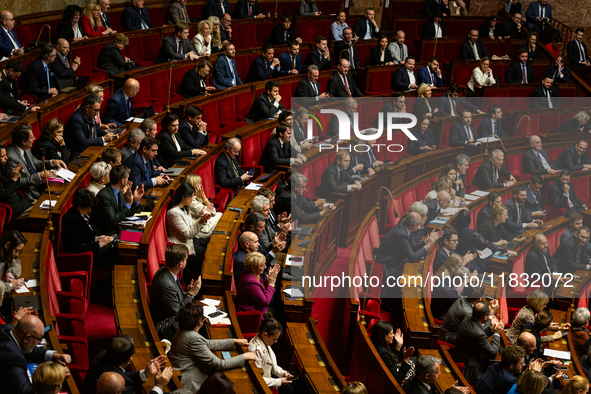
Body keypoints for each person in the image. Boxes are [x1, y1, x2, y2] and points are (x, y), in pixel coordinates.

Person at [168, 303, 253, 392]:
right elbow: (219, 364)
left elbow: (207, 343)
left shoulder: (182, 330)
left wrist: (233, 341)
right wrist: (245, 357)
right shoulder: (193, 338)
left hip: (184, 371)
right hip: (191, 382)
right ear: (200, 321)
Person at [0, 314, 71, 394]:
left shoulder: (7, 329)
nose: (39, 342)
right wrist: (54, 377)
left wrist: (54, 356)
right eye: (38, 339)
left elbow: (27, 348)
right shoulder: (13, 360)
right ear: (27, 338)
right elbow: (25, 391)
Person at [376, 212, 441, 295]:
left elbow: (412, 246)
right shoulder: (401, 234)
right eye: (419, 225)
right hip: (389, 267)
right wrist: (428, 245)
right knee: (413, 281)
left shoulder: (404, 227)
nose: (420, 227)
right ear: (414, 225)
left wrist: (426, 242)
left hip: (396, 262)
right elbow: (412, 257)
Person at [150, 244, 201, 341]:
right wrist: (190, 294)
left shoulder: (165, 271)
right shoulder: (167, 285)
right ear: (180, 264)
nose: (187, 261)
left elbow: (176, 297)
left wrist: (190, 291)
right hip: (167, 327)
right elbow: (178, 312)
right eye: (186, 259)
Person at [84, 336, 167, 394]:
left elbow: (122, 374)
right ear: (129, 359)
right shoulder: (120, 387)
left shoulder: (102, 355)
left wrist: (146, 373)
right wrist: (159, 386)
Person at [6, 124, 65, 201]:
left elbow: (35, 163)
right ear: (23, 141)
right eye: (31, 137)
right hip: (29, 193)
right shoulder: (11, 157)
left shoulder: (24, 147)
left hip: (39, 184)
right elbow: (17, 182)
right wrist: (39, 176)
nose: (34, 138)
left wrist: (52, 162)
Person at [166, 182, 212, 276]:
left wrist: (203, 218)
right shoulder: (173, 213)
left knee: (210, 245)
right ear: (183, 196)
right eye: (191, 196)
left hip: (190, 241)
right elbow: (188, 234)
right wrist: (201, 221)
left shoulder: (185, 208)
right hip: (182, 247)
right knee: (206, 254)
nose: (192, 199)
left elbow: (191, 225)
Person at [454, 301, 504, 384]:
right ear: (485, 317)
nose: (491, 315)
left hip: (463, 354)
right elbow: (492, 353)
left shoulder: (469, 316)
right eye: (490, 314)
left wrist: (491, 327)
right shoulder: (478, 334)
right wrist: (497, 333)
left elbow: (478, 334)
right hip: (471, 368)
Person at [249, 313, 299, 393]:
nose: (275, 342)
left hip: (269, 375)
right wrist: (279, 382)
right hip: (264, 381)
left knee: (297, 379)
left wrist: (283, 373)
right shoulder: (255, 349)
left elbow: (272, 365)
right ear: (265, 335)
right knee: (291, 389)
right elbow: (258, 378)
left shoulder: (265, 341)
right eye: (274, 339)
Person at [61, 187, 114, 259]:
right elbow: (77, 247)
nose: (89, 211)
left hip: (92, 250)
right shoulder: (72, 220)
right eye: (88, 208)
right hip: (83, 258)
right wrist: (99, 244)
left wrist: (97, 238)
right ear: (79, 207)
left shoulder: (80, 214)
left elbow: (85, 236)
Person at [90, 165, 144, 236]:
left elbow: (126, 214)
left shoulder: (119, 192)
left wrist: (135, 201)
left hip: (117, 229)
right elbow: (113, 220)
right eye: (127, 178)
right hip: (106, 234)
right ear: (122, 180)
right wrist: (128, 203)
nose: (128, 180)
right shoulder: (104, 196)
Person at [64, 95, 116, 160]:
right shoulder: (76, 120)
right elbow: (83, 142)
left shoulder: (89, 114)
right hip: (79, 152)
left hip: (90, 147)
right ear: (87, 108)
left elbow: (97, 129)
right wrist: (103, 139)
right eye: (96, 110)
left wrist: (108, 134)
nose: (97, 113)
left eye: (98, 110)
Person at [184, 174, 223, 239]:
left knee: (220, 215)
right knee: (220, 214)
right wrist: (203, 197)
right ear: (193, 186)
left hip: (203, 222)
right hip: (201, 231)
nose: (201, 185)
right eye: (199, 183)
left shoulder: (194, 196)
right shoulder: (191, 202)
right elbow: (213, 212)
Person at [403, 355, 468, 394]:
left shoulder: (414, 377)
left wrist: (451, 390)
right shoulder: (421, 392)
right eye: (437, 372)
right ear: (427, 376)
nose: (440, 373)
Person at [0, 145, 32, 218]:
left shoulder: (2, 167)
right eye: (3, 156)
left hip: (18, 200)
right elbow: (5, 196)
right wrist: (14, 179)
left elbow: (12, 187)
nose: (6, 158)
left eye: (6, 155)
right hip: (11, 207)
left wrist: (15, 176)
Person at [0, 230, 27, 298]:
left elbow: (16, 263)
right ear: (7, 245)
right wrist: (10, 286)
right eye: (16, 250)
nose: (17, 254)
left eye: (19, 251)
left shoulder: (4, 254)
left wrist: (9, 272)